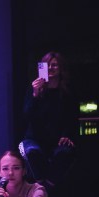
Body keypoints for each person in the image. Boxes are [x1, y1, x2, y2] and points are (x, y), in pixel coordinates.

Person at [19, 52, 76, 188]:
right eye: (47, 65)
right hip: (34, 138)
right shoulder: (34, 89)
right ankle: (40, 185)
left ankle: (47, 187)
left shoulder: (66, 92)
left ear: (61, 68)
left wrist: (67, 135)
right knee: (32, 152)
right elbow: (27, 115)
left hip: (57, 139)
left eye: (54, 65)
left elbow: (72, 117)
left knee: (65, 153)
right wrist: (35, 95)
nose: (50, 68)